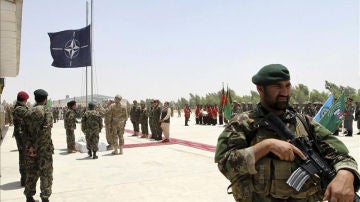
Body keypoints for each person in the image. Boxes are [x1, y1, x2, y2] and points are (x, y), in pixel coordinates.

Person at [215, 64, 360, 202]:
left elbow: (341, 155)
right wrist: (266, 146)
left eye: (287, 85)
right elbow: (225, 164)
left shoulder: (305, 123)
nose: (284, 92)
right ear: (260, 89)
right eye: (277, 86)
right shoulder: (243, 124)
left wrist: (346, 173)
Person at [23, 89, 54, 202]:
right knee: (46, 173)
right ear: (45, 99)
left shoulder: (28, 111)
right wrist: (37, 146)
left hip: (31, 150)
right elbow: (46, 131)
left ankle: (29, 197)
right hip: (43, 149)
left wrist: (31, 146)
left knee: (31, 172)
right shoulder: (46, 111)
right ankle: (45, 198)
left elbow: (23, 131)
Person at [12, 91, 30, 186]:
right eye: (26, 100)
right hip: (22, 136)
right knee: (23, 157)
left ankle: (25, 177)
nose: (27, 101)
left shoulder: (20, 107)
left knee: (24, 156)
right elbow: (30, 116)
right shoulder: (20, 109)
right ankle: (24, 178)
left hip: (21, 135)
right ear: (23, 100)